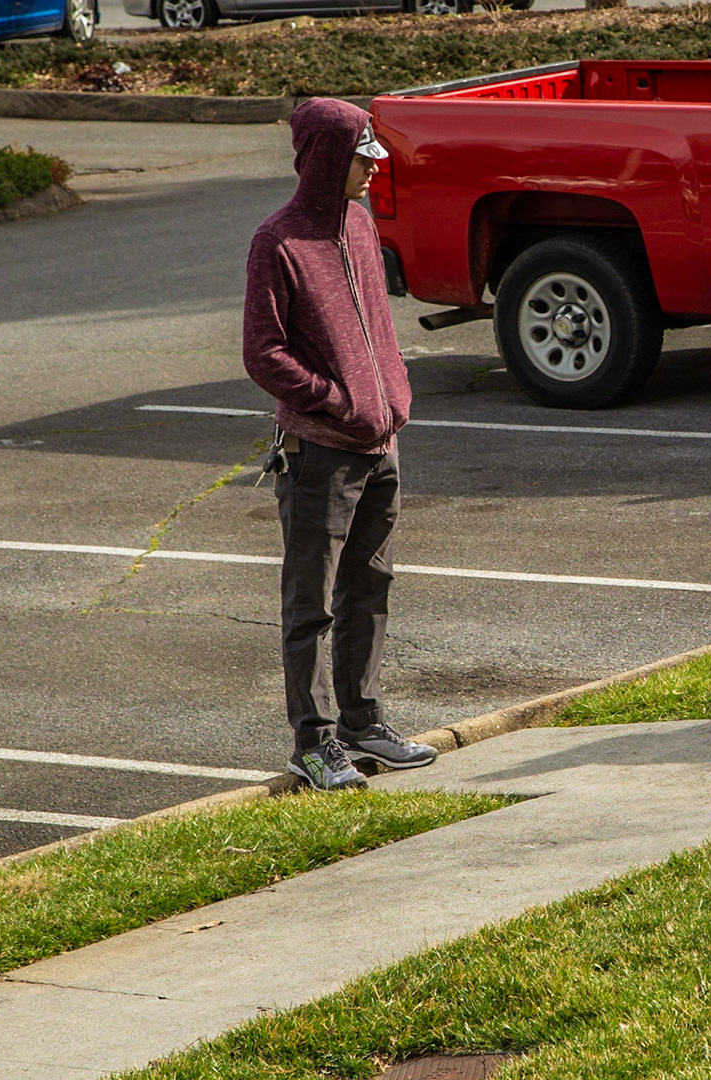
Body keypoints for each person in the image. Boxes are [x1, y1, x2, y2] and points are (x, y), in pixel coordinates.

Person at [244, 98, 436, 791]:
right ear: (329, 158)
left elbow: (378, 325)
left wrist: (393, 398)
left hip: (382, 442)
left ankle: (362, 723)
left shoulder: (359, 224)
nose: (372, 174)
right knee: (312, 603)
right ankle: (313, 740)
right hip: (322, 451)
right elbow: (263, 354)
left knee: (370, 588)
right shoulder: (279, 242)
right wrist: (338, 402)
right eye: (363, 159)